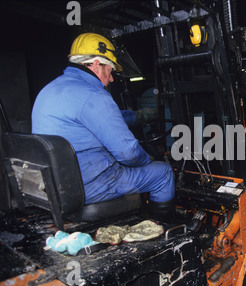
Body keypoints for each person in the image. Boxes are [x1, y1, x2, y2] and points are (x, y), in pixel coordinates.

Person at [32, 33, 175, 222]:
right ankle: (163, 230)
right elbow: (129, 154)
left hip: (56, 184)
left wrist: (140, 116)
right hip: (89, 185)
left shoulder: (49, 89)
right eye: (111, 70)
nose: (112, 79)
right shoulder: (94, 95)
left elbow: (96, 119)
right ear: (96, 64)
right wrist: (148, 159)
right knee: (162, 173)